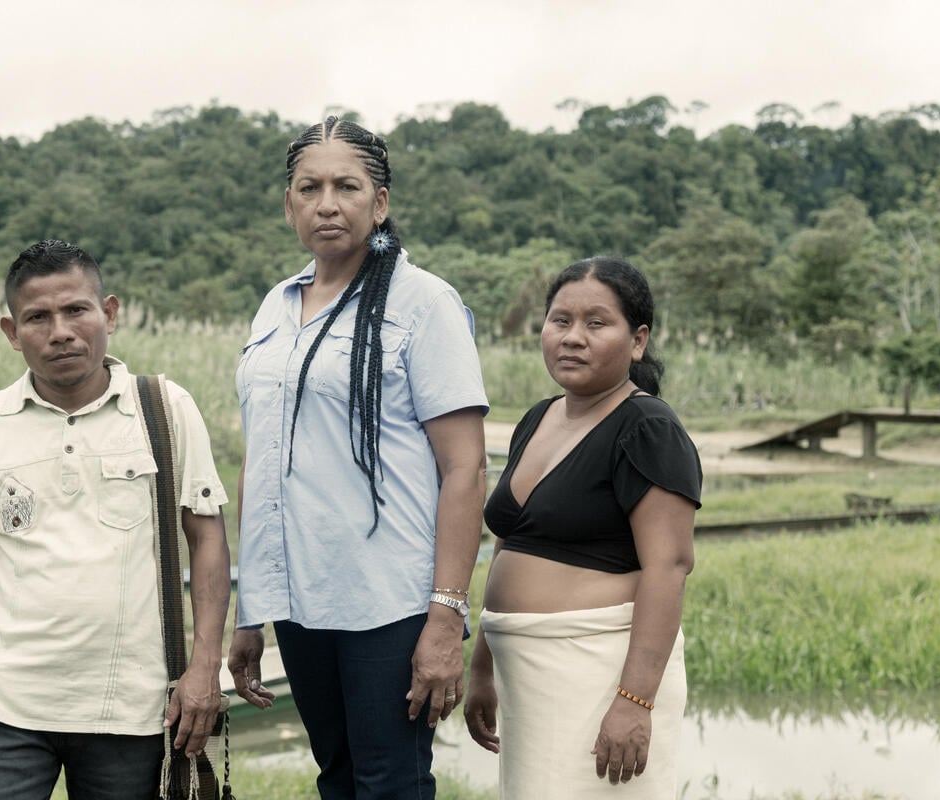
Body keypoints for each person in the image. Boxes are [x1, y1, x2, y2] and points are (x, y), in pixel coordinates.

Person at [226, 116, 489, 799]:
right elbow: (262, 462)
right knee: (338, 779)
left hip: (390, 603)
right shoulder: (274, 308)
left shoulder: (423, 303)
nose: (327, 203)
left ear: (380, 202)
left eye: (348, 186)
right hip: (302, 601)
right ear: (289, 205)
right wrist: (249, 609)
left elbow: (465, 468)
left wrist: (445, 617)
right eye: (309, 188)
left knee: (390, 784)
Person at [0, 239, 231, 800]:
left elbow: (206, 540)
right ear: (12, 333)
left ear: (108, 313)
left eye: (76, 311)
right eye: (37, 317)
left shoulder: (164, 408)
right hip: (7, 710)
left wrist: (205, 667)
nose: (60, 330)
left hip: (134, 711)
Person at [465, 256, 701, 797]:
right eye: (560, 320)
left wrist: (634, 700)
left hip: (597, 674)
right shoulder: (539, 416)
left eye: (597, 323)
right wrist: (484, 665)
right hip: (525, 672)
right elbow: (509, 545)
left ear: (637, 340)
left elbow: (668, 568)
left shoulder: (648, 428)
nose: (573, 337)